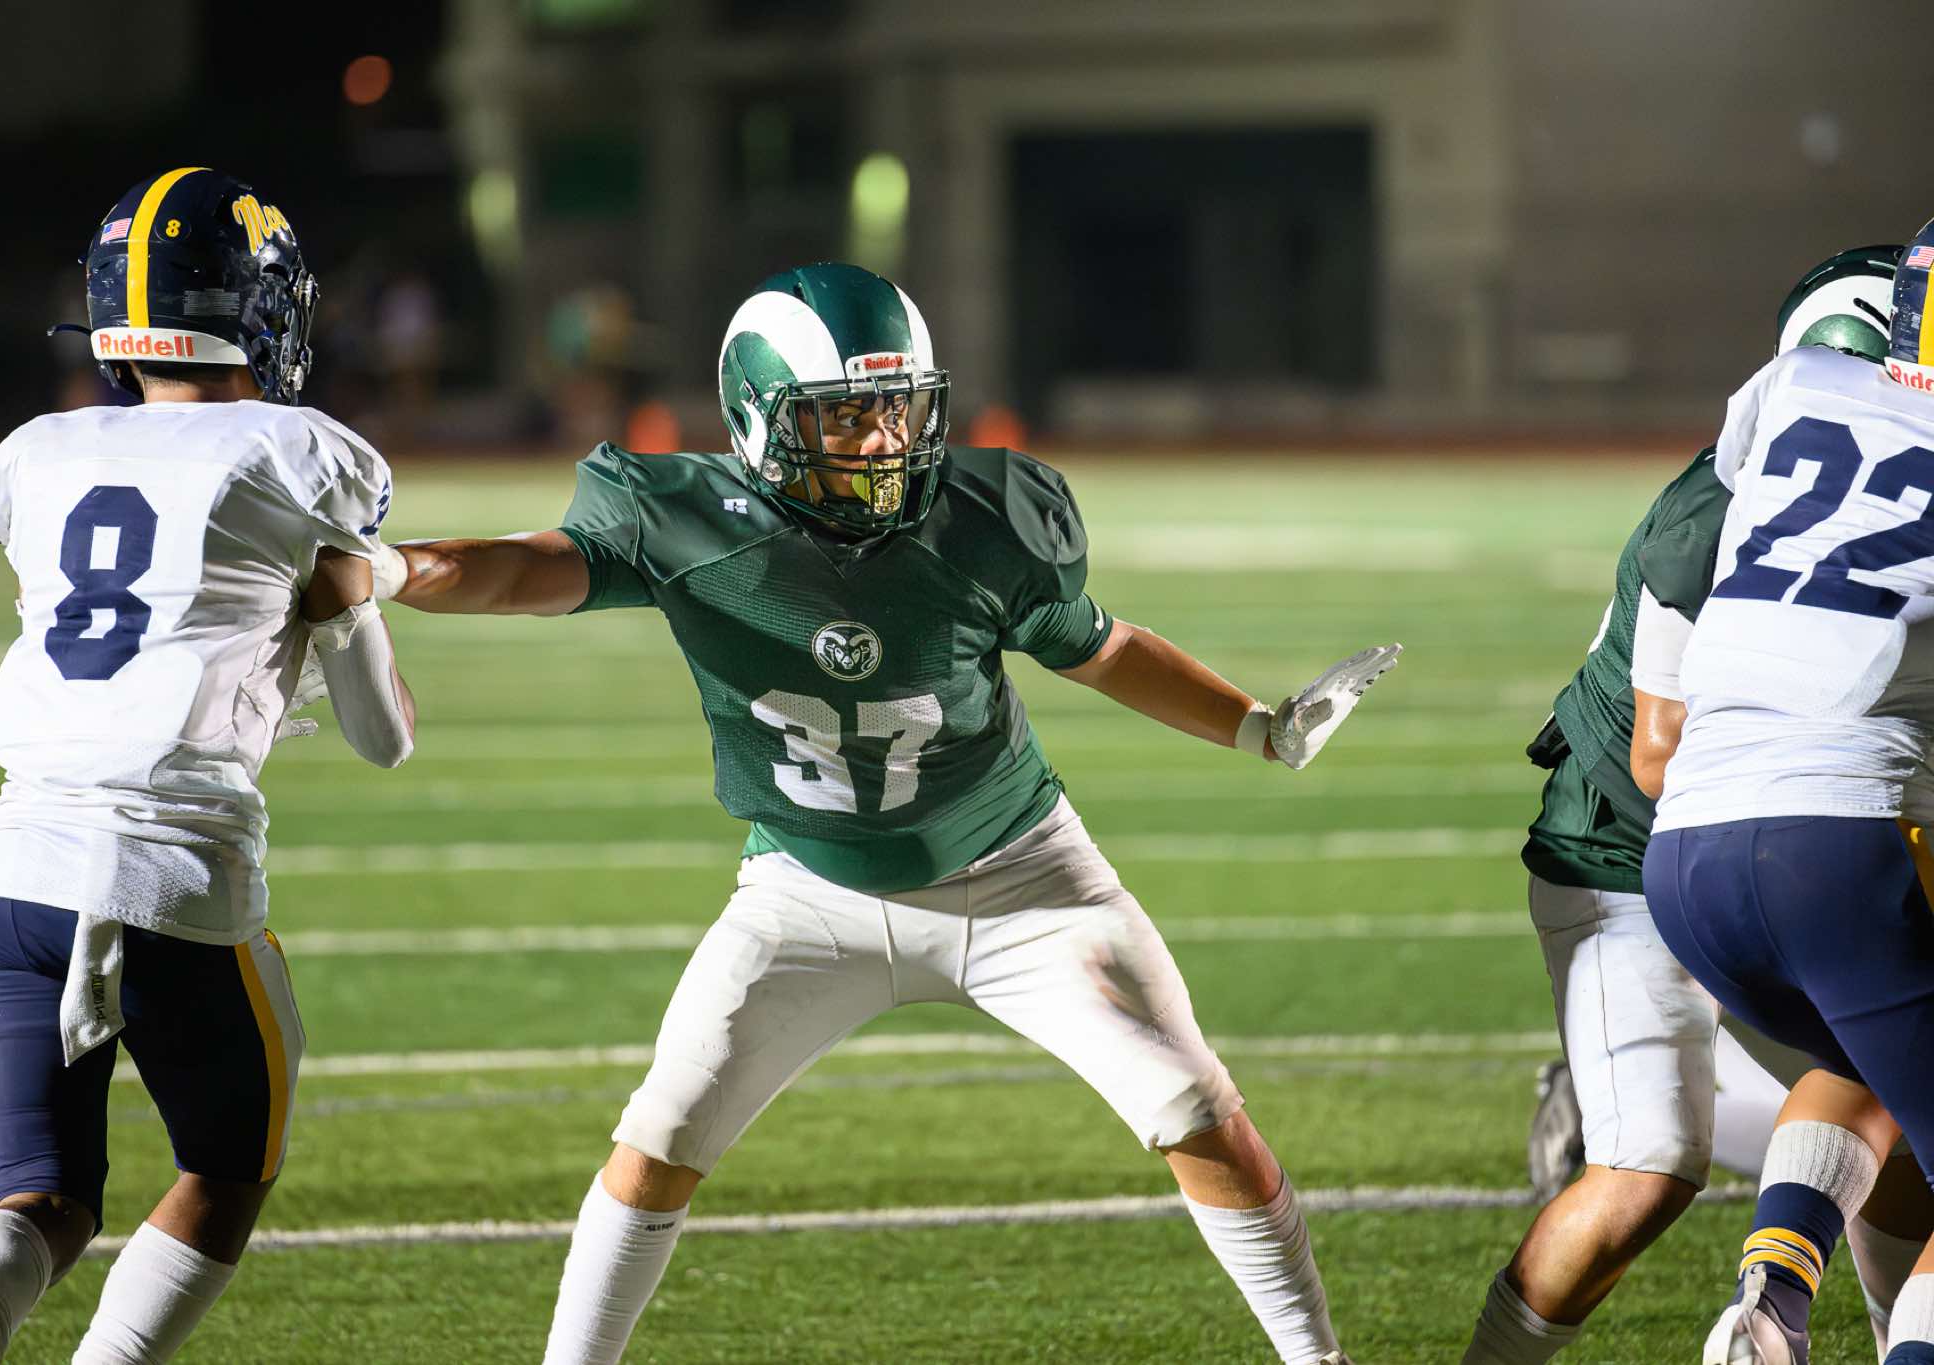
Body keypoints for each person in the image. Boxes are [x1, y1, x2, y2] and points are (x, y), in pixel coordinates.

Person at [374, 261, 1397, 1364]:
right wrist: (393, 570)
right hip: (805, 893)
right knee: (660, 1134)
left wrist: (1258, 728)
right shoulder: (682, 520)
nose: (884, 439)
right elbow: (522, 571)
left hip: (1025, 879)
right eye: (848, 415)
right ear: (760, 421)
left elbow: (1100, 648)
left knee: (1197, 1110)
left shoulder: (982, 517)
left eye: (899, 407)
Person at [0, 167, 415, 1365]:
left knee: (43, 1194)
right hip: (174, 868)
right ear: (260, 304)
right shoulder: (300, 450)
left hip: (14, 873)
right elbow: (383, 738)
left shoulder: (36, 452)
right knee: (227, 1169)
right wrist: (344, 610)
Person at [1466, 245, 1922, 1364]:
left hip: (1713, 844)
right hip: (1641, 841)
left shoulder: (1788, 399)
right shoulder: (1707, 509)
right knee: (1647, 1166)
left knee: (1874, 1077)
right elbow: (1656, 751)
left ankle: (1785, 1304)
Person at [1645, 217, 1934, 1365]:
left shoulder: (1794, 382)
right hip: (1838, 848)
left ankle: (1770, 1300)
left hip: (1689, 854)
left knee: (1864, 1055)